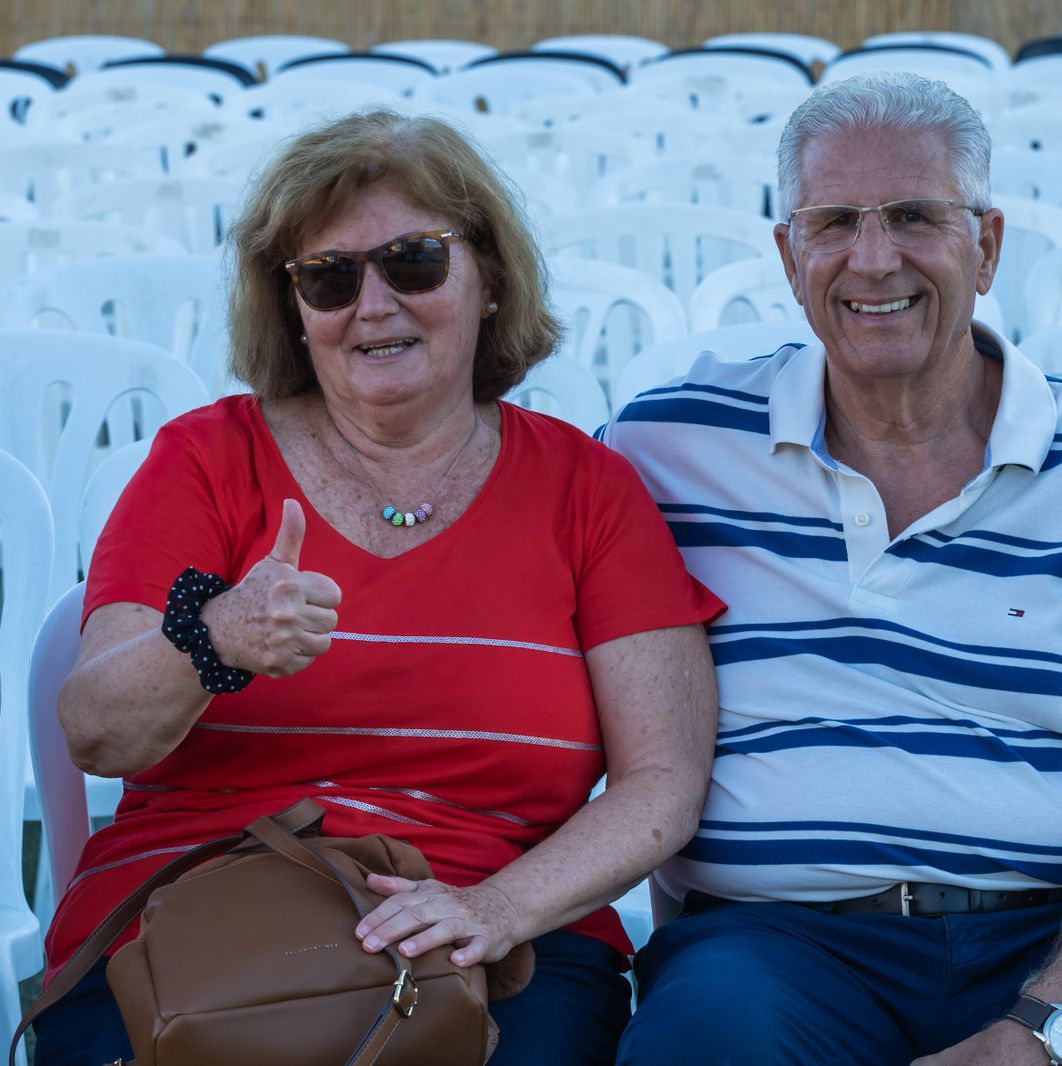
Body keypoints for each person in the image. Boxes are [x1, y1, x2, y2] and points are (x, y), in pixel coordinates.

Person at [603, 72, 1062, 1065]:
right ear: (787, 255)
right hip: (780, 944)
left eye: (913, 217)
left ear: (986, 246)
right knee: (698, 1045)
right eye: (833, 223)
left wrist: (1047, 1021)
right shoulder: (668, 447)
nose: (873, 259)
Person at [33, 108, 723, 1066]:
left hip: (503, 931)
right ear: (293, 307)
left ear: (487, 278)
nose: (374, 303)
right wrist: (215, 638)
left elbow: (663, 781)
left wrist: (495, 908)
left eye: (414, 261)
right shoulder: (206, 460)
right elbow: (97, 731)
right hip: (201, 913)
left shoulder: (587, 489)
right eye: (329, 276)